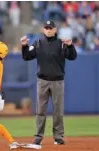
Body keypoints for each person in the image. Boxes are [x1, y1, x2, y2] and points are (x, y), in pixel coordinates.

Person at [21, 20, 77, 149]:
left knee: (58, 111)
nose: (48, 30)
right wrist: (24, 46)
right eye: (46, 28)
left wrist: (70, 46)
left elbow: (72, 57)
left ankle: (58, 137)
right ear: (43, 29)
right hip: (43, 81)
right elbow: (27, 56)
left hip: (57, 81)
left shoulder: (61, 44)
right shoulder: (38, 43)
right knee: (41, 111)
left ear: (55, 30)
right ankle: (38, 138)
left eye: (50, 28)